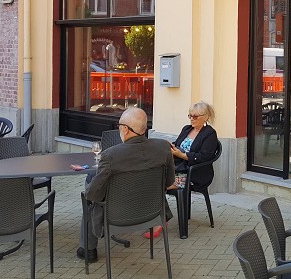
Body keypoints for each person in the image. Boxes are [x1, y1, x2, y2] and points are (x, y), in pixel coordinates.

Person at [77, 107, 175, 262]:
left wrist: (89, 188)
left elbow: (93, 194)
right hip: (151, 212)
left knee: (88, 197)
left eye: (119, 126)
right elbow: (169, 182)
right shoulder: (163, 148)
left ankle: (88, 250)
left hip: (118, 215)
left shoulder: (110, 155)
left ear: (125, 129)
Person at [143, 101, 219, 239]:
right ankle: (160, 218)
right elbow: (178, 145)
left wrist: (182, 155)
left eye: (195, 116)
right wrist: (172, 147)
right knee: (153, 181)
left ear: (206, 117)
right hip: (178, 168)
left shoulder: (210, 134)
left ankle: (161, 220)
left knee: (158, 184)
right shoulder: (186, 129)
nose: (191, 119)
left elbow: (204, 157)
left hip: (195, 173)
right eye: (190, 115)